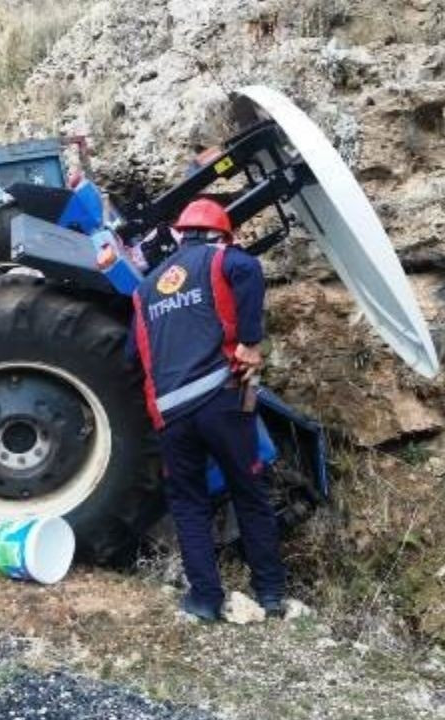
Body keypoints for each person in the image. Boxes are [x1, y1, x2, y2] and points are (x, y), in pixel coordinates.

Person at [128, 198, 287, 622]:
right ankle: (270, 593)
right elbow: (249, 270)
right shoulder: (224, 259)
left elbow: (133, 355)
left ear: (180, 234)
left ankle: (204, 599)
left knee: (188, 503)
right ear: (221, 235)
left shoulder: (144, 290)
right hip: (222, 400)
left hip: (170, 415)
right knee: (249, 492)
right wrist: (251, 341)